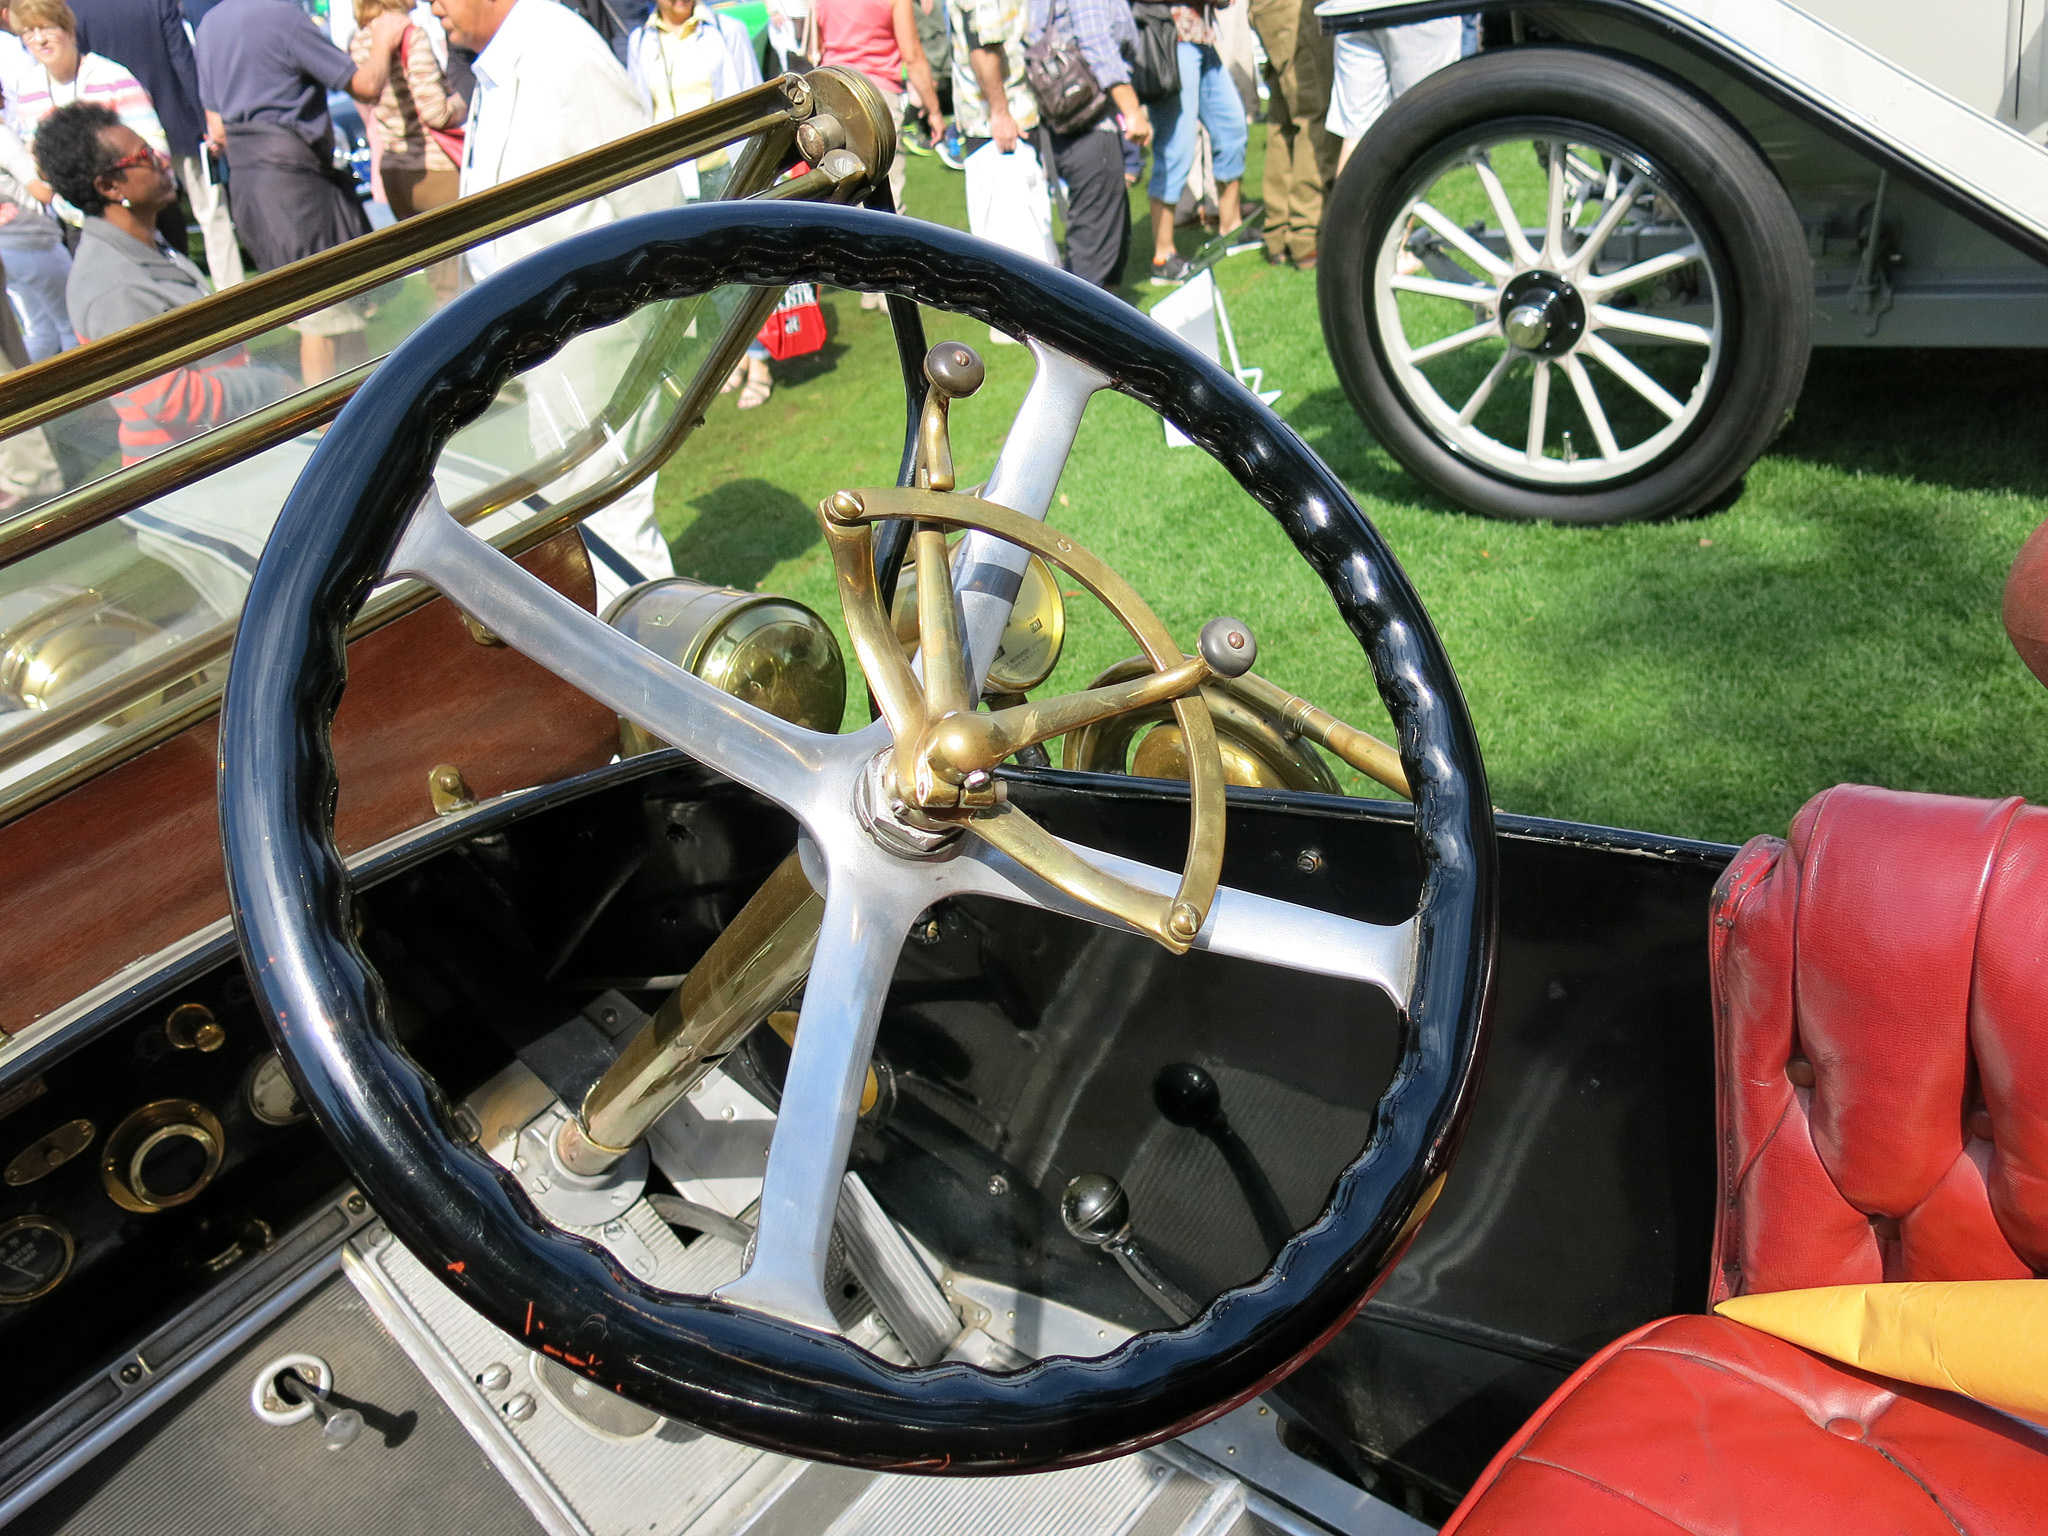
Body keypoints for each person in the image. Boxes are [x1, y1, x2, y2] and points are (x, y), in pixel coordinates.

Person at [429, 0, 676, 601]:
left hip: (592, 343)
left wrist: (655, 316)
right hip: (535, 353)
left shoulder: (562, 52)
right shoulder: (503, 62)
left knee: (610, 525)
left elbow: (650, 194)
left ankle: (679, 676)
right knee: (572, 528)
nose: (432, 9)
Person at [35, 102, 292, 463]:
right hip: (188, 472)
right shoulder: (112, 286)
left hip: (223, 447)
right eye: (144, 156)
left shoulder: (142, 245)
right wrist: (273, 386)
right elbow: (172, 400)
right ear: (108, 186)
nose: (162, 159)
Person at [193, 0, 407, 382]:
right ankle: (331, 433)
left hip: (249, 186)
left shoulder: (210, 25)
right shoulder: (281, 16)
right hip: (296, 188)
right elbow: (366, 85)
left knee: (339, 312)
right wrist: (386, 38)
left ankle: (356, 421)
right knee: (324, 319)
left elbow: (218, 130)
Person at [625, 0, 777, 407]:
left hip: (724, 169)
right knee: (708, 274)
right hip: (674, 179)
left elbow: (755, 98)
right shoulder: (640, 42)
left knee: (743, 266)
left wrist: (759, 169)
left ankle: (759, 360)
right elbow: (641, 109)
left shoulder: (726, 31)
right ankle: (738, 357)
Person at [68, 0, 243, 285]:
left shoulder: (77, 8)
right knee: (213, 216)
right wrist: (204, 121)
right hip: (178, 124)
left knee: (137, 221)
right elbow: (183, 61)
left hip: (122, 139)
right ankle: (233, 292)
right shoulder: (155, 1)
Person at [1023, 0, 1148, 291]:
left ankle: (1097, 325)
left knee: (1099, 244)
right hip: (1090, 124)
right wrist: (1132, 110)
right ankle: (1077, 333)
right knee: (1092, 258)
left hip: (1066, 122)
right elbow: (1096, 43)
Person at [349, 0, 463, 300]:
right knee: (464, 280)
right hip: (434, 170)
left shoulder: (360, 40)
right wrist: (464, 103)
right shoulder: (411, 34)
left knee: (440, 281)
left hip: (395, 173)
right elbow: (435, 111)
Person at [811, 0, 943, 218]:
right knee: (885, 205)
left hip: (830, 93)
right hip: (877, 97)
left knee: (834, 194)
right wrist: (935, 111)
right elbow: (912, 55)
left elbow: (817, 45)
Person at [1146, 0, 1245, 284]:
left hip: (1202, 37)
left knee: (1233, 127)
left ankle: (1231, 228)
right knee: (1176, 146)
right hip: (1170, 39)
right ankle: (1163, 257)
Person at [1249, 0, 1331, 268]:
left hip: (1276, 10)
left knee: (1283, 119)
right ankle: (1306, 234)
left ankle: (1280, 232)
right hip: (1288, 11)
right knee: (1312, 114)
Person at [1325, 15, 1458, 175]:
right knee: (1428, 128)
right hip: (1415, 13)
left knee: (1358, 137)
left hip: (1354, 10)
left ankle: (1348, 200)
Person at [0, 115, 71, 357]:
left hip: (7, 250)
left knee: (41, 331)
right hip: (33, 242)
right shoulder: (2, 138)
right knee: (70, 324)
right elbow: (41, 190)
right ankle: (85, 393)